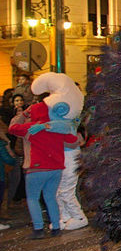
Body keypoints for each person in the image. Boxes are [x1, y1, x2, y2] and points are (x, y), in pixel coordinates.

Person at [9, 100, 77, 239]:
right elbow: (72, 140)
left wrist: (24, 113)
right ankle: (56, 227)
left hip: (37, 168)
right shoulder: (57, 128)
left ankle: (38, 229)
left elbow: (12, 128)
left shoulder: (31, 127)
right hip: (56, 168)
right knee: (50, 197)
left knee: (33, 198)